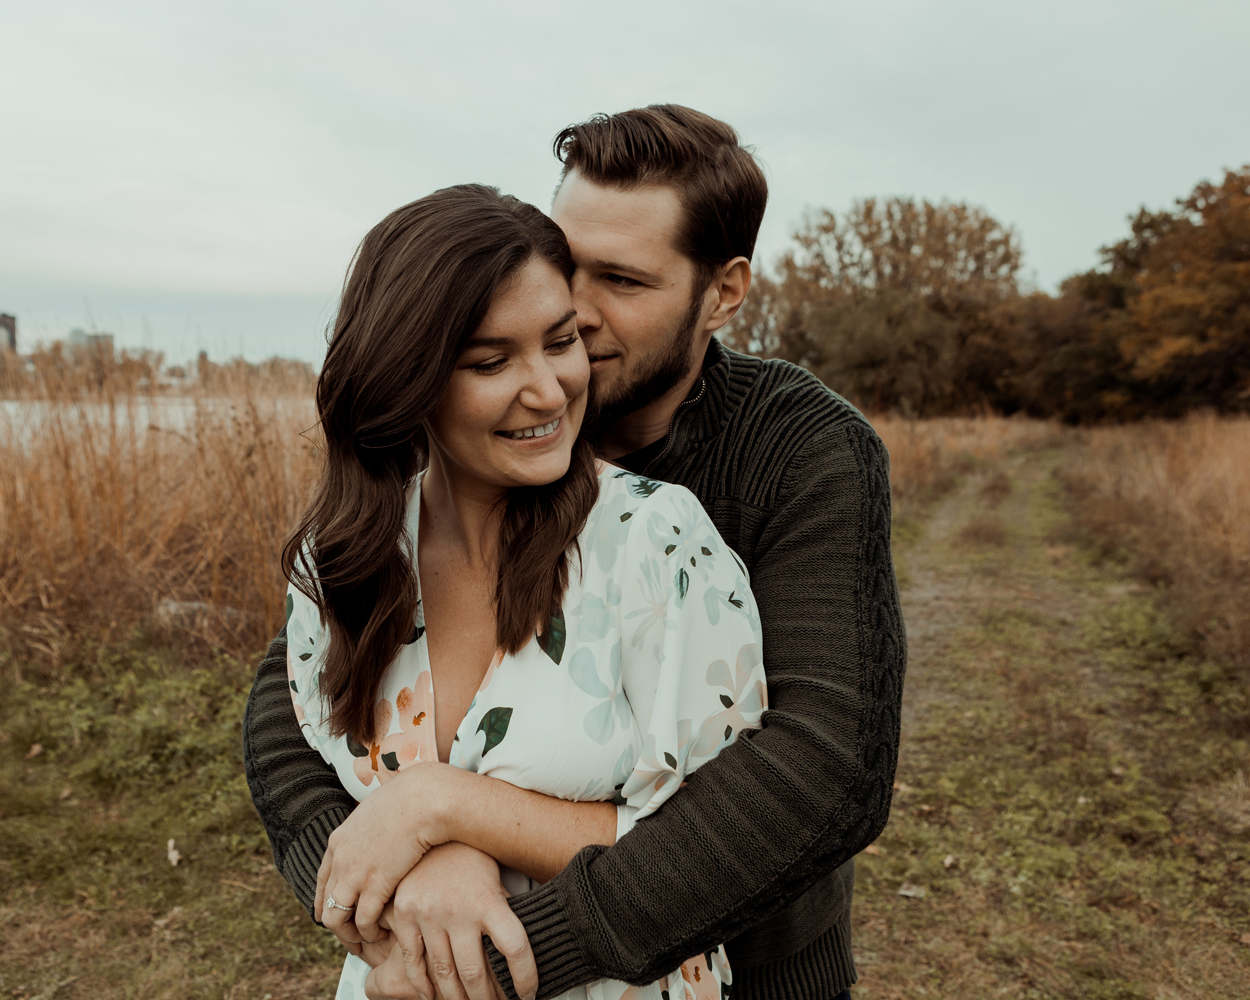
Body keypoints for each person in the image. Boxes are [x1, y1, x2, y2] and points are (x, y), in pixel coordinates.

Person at [246, 105, 906, 1000]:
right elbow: (297, 697)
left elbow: (821, 768)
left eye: (623, 282)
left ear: (723, 292)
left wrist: (492, 936)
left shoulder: (794, 454)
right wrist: (389, 885)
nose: (575, 315)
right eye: (567, 264)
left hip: (750, 960)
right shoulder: (454, 460)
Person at [279, 181, 769, 1000]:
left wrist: (443, 807)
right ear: (410, 378)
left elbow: (720, 853)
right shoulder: (341, 564)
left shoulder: (654, 542)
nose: (547, 389)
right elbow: (329, 807)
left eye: (561, 340)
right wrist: (410, 885)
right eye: (490, 361)